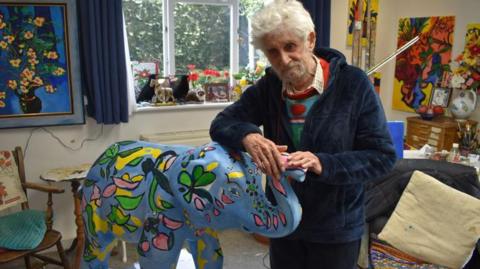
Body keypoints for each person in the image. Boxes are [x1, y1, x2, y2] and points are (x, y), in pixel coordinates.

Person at [209, 1, 397, 268]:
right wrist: (249, 136)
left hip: (336, 228)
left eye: (290, 47)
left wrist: (323, 163)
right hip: (283, 221)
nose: (283, 60)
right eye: (273, 52)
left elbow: (382, 157)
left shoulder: (354, 84)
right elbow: (222, 123)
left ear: (310, 39)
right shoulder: (269, 87)